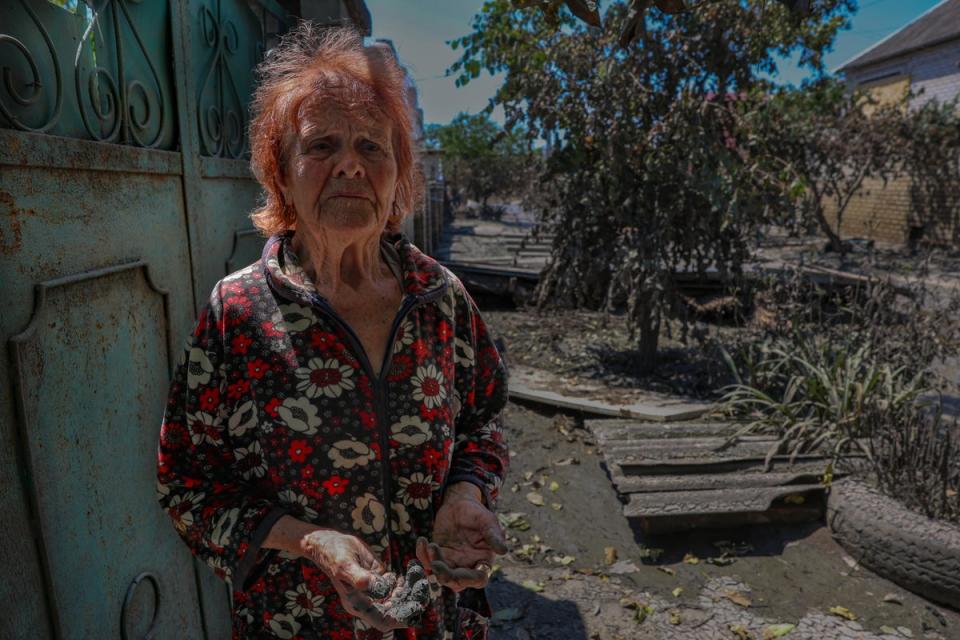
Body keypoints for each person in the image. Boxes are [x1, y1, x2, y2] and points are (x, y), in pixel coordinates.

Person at [156, 23, 509, 639]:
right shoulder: (236, 312)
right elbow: (187, 483)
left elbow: (482, 423)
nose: (350, 163)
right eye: (321, 145)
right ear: (281, 171)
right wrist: (310, 541)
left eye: (373, 147)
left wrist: (467, 497)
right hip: (299, 623)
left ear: (398, 173)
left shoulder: (441, 299)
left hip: (436, 620)